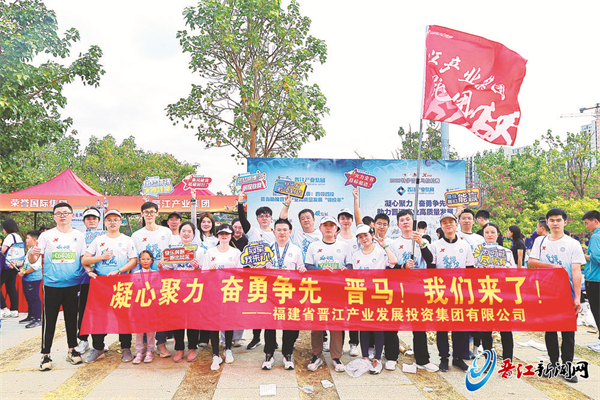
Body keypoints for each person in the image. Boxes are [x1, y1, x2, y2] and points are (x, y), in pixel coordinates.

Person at [528, 208, 585, 383]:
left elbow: (576, 271)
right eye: (551, 220)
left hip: (567, 293)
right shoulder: (540, 241)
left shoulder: (573, 244)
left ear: (565, 222)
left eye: (558, 220)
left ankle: (567, 367)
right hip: (546, 293)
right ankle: (553, 364)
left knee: (568, 332)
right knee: (550, 331)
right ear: (547, 222)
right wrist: (553, 267)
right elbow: (531, 261)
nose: (555, 223)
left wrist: (577, 297)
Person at [29, 202, 87, 371]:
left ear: (72, 216)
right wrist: (32, 255)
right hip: (52, 284)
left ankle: (72, 350)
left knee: (72, 319)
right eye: (59, 213)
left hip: (73, 283)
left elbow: (83, 257)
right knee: (49, 320)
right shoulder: (46, 236)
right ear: (54, 217)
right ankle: (45, 354)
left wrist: (90, 271)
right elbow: (34, 259)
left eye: (66, 213)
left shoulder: (79, 236)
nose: (62, 216)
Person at [82, 210, 138, 363]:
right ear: (105, 223)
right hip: (101, 284)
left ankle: (126, 347)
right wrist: (99, 260)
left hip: (121, 283)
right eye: (109, 220)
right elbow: (85, 260)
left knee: (123, 316)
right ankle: (98, 347)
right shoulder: (98, 240)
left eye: (116, 219)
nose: (112, 222)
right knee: (99, 316)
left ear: (121, 222)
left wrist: (119, 271)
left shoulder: (127, 240)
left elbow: (133, 260)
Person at [389, 210, 437, 373]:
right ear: (398, 224)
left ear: (413, 222)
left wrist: (421, 243)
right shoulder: (394, 243)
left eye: (408, 219)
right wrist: (403, 267)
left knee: (419, 325)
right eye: (402, 220)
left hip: (418, 289)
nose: (405, 222)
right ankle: (391, 357)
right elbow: (391, 267)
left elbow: (431, 262)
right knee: (393, 323)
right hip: (400, 289)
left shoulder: (422, 240)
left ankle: (423, 359)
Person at [427, 213, 474, 373]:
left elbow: (470, 269)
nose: (448, 224)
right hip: (441, 291)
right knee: (442, 325)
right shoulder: (435, 245)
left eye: (451, 222)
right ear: (441, 226)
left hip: (459, 291)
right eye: (445, 222)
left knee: (459, 326)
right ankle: (444, 358)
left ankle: (458, 358)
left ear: (456, 225)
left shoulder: (464, 245)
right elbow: (431, 268)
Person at [305, 216, 353, 373]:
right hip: (318, 291)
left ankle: (336, 357)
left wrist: (346, 269)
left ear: (336, 228)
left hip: (337, 292)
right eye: (325, 225)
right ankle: (316, 355)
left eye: (331, 225)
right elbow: (308, 266)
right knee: (317, 325)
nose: (328, 228)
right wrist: (321, 271)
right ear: (320, 228)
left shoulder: (344, 246)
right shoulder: (313, 246)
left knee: (336, 325)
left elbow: (350, 265)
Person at [261, 218, 306, 370]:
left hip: (290, 293)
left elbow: (301, 268)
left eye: (285, 230)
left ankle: (287, 354)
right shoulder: (267, 249)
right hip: (271, 293)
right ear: (274, 232)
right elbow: (260, 269)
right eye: (279, 230)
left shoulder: (296, 249)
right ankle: (269, 354)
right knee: (269, 324)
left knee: (290, 324)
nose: (282, 233)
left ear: (290, 232)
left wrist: (302, 270)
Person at [352, 224, 397, 374]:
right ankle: (365, 357)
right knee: (364, 327)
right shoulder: (356, 255)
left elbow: (393, 261)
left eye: (366, 235)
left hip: (379, 294)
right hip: (362, 295)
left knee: (378, 328)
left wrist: (385, 246)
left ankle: (377, 359)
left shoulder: (380, 252)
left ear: (372, 235)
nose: (364, 239)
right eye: (360, 237)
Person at [131, 202, 173, 357]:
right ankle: (143, 346)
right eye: (146, 212)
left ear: (157, 214)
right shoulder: (136, 235)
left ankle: (161, 344)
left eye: (152, 212)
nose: (149, 215)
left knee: (161, 313)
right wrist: (137, 282)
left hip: (162, 279)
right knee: (144, 313)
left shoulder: (166, 232)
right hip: (143, 281)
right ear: (141, 214)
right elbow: (135, 259)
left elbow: (171, 255)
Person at [159, 221, 202, 362]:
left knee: (192, 320)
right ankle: (179, 349)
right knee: (177, 320)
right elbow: (167, 269)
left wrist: (198, 268)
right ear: (179, 233)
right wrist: (161, 266)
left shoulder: (199, 250)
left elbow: (206, 271)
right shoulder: (173, 250)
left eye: (189, 231)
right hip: (176, 289)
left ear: (193, 234)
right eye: (183, 231)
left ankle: (192, 348)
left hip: (193, 289)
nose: (186, 234)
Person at [238, 192, 276, 350]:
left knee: (272, 309)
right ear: (257, 219)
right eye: (261, 216)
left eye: (267, 216)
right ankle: (256, 338)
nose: (264, 218)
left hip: (272, 277)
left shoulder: (277, 233)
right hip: (255, 277)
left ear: (271, 218)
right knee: (257, 308)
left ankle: (272, 340)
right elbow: (242, 219)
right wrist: (240, 203)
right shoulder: (252, 231)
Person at [203, 224, 242, 371]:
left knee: (228, 321)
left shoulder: (236, 252)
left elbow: (240, 272)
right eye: (221, 234)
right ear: (217, 236)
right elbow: (203, 273)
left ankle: (228, 348)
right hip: (213, 292)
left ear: (231, 236)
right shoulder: (210, 252)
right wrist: (210, 272)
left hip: (229, 290)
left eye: (227, 234)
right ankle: (215, 354)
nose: (224, 236)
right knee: (214, 322)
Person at [476, 222, 516, 362]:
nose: (490, 235)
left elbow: (513, 273)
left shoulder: (507, 252)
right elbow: (471, 273)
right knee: (486, 330)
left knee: (506, 330)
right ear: (483, 234)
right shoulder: (477, 252)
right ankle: (488, 359)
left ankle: (507, 361)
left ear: (498, 234)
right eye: (487, 232)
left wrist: (501, 272)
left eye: (493, 232)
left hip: (503, 295)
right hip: (485, 294)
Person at [75, 207, 102, 355]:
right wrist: (88, 270)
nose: (91, 221)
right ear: (84, 221)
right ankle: (83, 339)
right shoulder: (79, 237)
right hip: (84, 279)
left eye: (94, 218)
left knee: (101, 311)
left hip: (101, 281)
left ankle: (100, 342)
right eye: (88, 218)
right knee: (83, 310)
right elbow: (81, 257)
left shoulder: (104, 237)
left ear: (99, 221)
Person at [132, 250, 157, 364]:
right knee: (139, 330)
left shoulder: (155, 274)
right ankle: (139, 351)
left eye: (148, 259)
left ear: (152, 260)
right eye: (143, 259)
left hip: (151, 306)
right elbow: (132, 290)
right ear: (139, 261)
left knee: (151, 329)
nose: (145, 261)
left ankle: (150, 350)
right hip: (139, 306)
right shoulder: (135, 274)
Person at [582, 210, 600, 352]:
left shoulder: (595, 236)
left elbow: (596, 257)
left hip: (594, 279)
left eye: (587, 223)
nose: (587, 226)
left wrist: (585, 255)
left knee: (597, 310)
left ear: (595, 221)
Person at [18, 230, 43, 328]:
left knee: (34, 298)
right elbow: (26, 263)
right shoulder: (30, 250)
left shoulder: (37, 250)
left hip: (34, 278)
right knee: (29, 297)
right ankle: (31, 316)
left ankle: (37, 318)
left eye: (28, 238)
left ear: (35, 240)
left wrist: (24, 272)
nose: (26, 240)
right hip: (27, 278)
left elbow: (35, 266)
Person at [1, 219, 24, 318]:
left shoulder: (9, 237)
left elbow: (3, 250)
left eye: (3, 228)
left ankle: (4, 308)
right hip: (15, 265)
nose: (3, 230)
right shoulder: (18, 237)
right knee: (11, 287)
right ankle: (14, 310)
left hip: (7, 265)